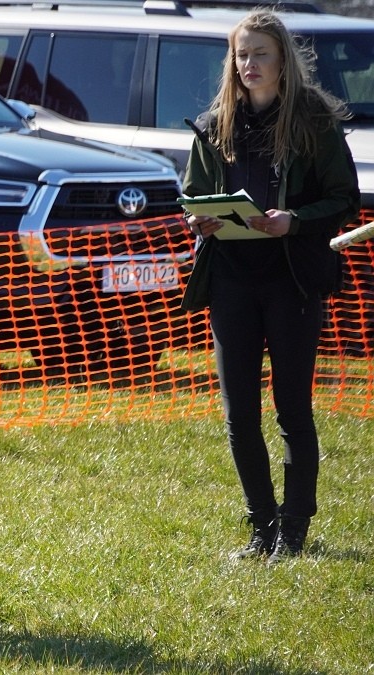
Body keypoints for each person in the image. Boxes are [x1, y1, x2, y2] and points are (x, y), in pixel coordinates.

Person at [181, 10, 359, 563]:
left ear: (282, 59)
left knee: (291, 408)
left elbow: (344, 198)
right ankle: (261, 529)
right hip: (231, 280)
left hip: (293, 281)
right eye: (241, 55)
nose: (249, 64)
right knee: (239, 413)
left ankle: (295, 529)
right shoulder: (215, 125)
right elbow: (192, 193)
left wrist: (295, 221)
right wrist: (200, 219)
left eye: (259, 54)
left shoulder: (313, 121)